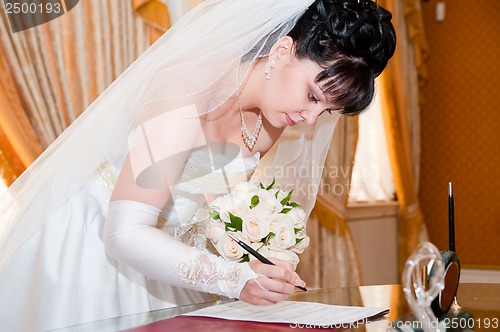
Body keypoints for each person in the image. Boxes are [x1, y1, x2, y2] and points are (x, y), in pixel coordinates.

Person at [0, 0, 396, 330]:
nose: (310, 119)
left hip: (166, 254)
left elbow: (206, 209)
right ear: (281, 52)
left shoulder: (269, 121)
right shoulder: (185, 96)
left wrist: (264, 256)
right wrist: (234, 278)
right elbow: (123, 234)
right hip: (95, 245)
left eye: (326, 111)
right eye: (313, 95)